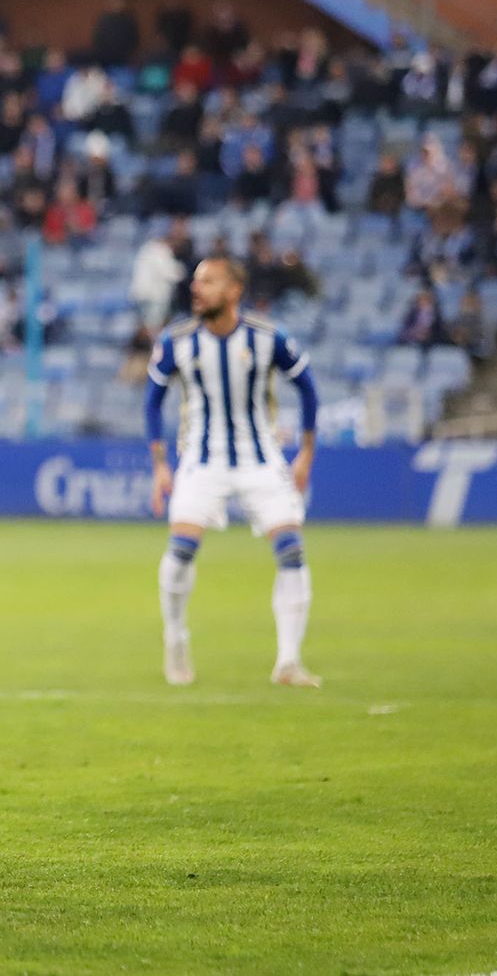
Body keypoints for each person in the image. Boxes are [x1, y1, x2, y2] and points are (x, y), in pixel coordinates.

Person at [145, 257, 321, 689]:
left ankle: (288, 661)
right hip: (203, 461)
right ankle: (176, 637)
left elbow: (309, 389)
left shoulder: (267, 337)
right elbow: (152, 403)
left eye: (208, 281)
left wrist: (305, 456)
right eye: (196, 280)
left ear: (233, 290)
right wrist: (160, 466)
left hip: (260, 458)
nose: (196, 288)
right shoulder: (177, 340)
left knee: (292, 551)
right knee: (181, 550)